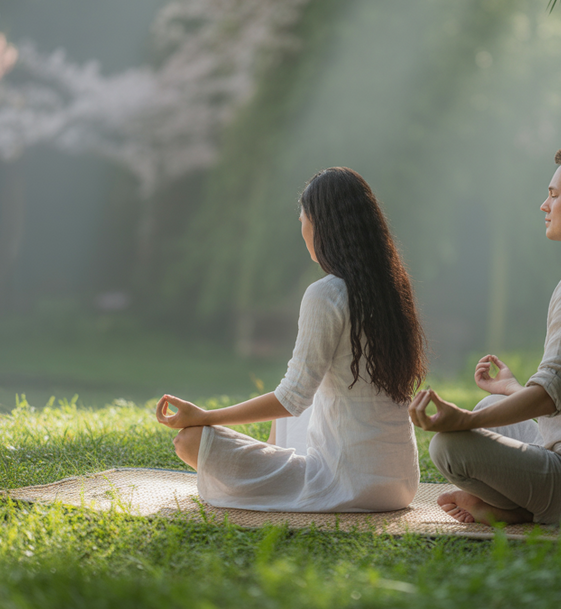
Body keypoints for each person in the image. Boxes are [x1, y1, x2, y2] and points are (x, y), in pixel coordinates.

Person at [410, 148, 561, 527]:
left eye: (555, 195)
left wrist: (458, 421)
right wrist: (511, 388)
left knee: (449, 445)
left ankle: (519, 510)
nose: (544, 205)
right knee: (485, 413)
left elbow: (548, 396)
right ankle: (511, 506)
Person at [156, 167, 427, 512]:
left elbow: (291, 397)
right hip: (401, 484)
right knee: (305, 398)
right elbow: (299, 396)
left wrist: (204, 416)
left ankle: (276, 470)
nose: (301, 230)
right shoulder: (393, 291)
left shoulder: (326, 293)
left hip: (347, 485)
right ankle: (278, 461)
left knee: (190, 441)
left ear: (318, 224)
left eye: (302, 219)